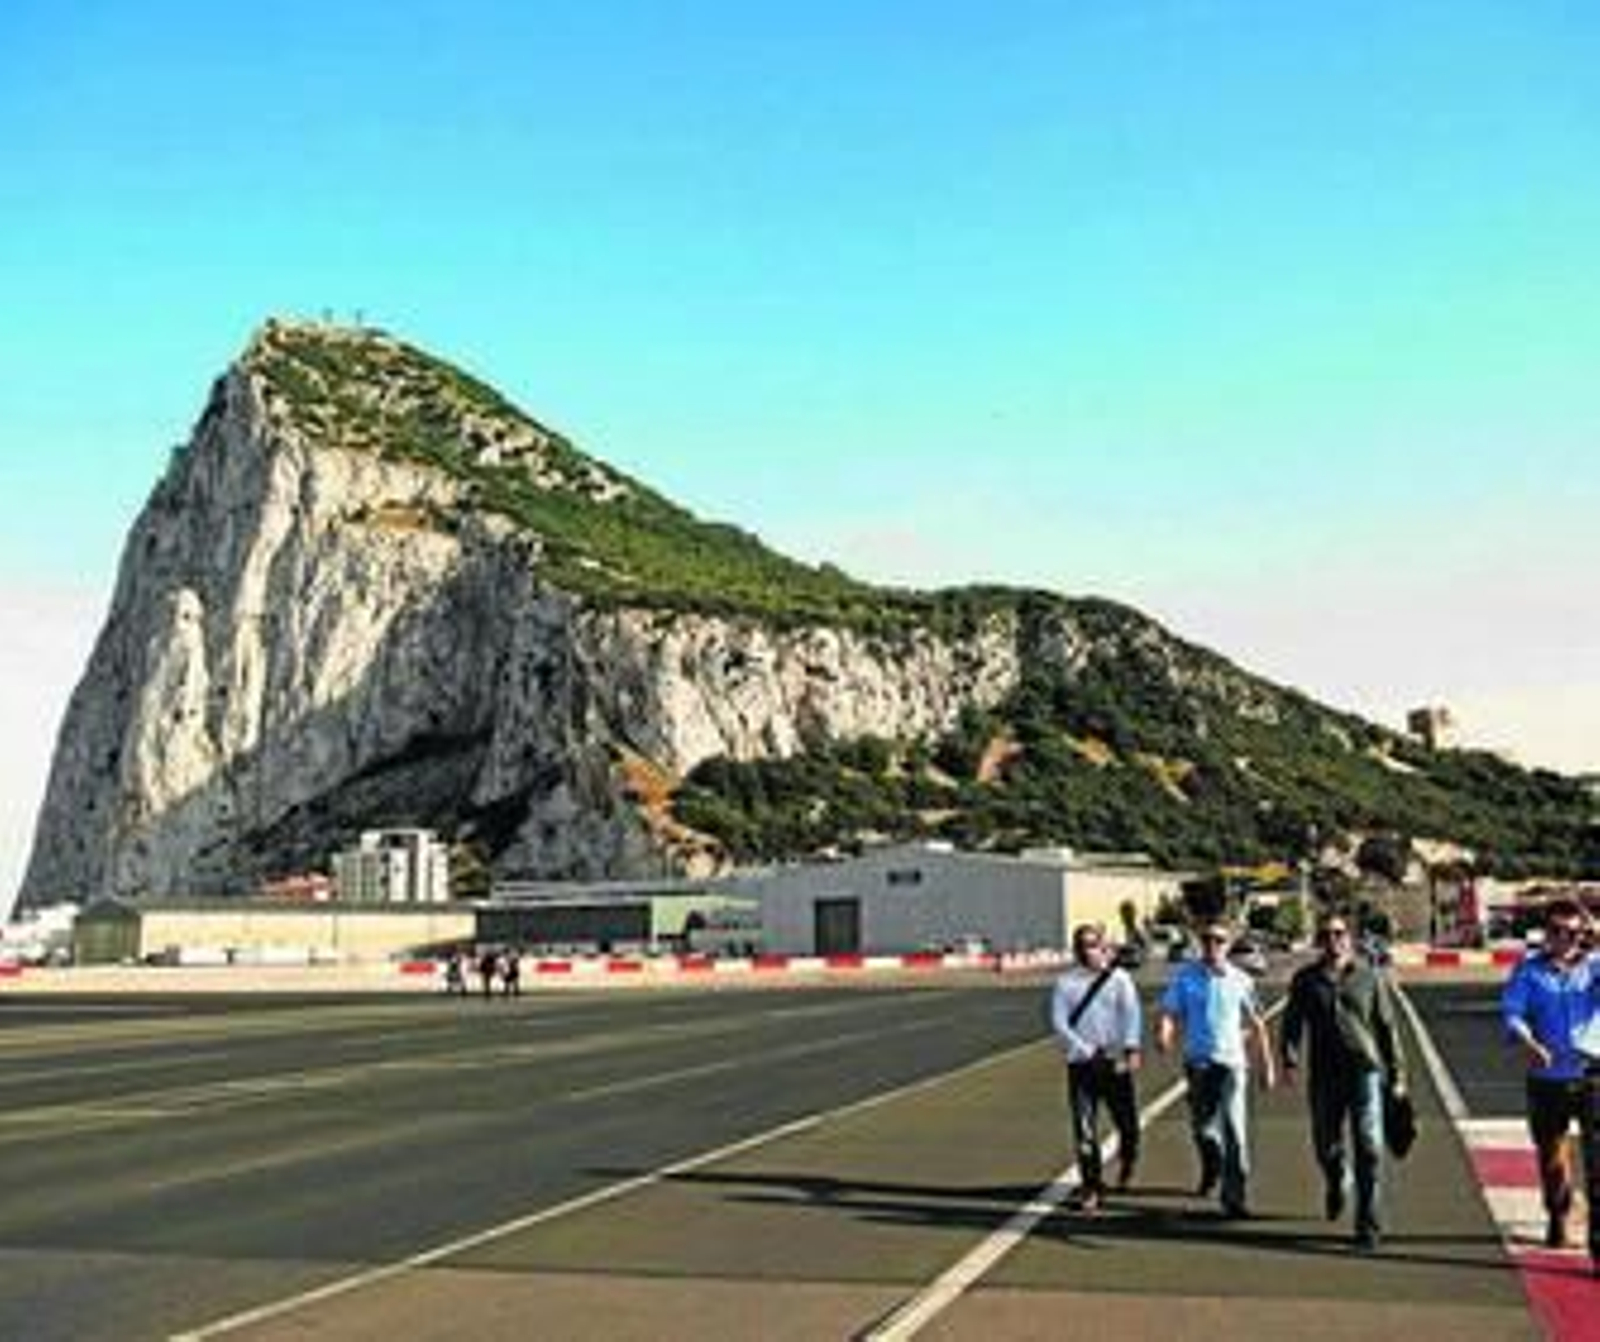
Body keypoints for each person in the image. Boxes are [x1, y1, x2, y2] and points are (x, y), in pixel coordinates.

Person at [1280, 912, 1407, 1251]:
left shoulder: (1369, 977)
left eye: (1339, 934)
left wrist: (1397, 1075)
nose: (1333, 940)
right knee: (1326, 1145)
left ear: (1349, 938)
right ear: (1320, 941)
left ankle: (1368, 1226)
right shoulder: (1306, 980)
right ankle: (1337, 1179)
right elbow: (1292, 1023)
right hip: (1325, 1074)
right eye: (1326, 935)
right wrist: (1289, 1057)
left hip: (1365, 1071)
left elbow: (1387, 1028)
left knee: (1369, 1147)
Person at [1501, 897, 1599, 1267]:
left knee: (1597, 1163)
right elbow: (1512, 1012)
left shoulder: (1594, 969)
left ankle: (1597, 1244)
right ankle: (1558, 1211)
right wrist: (1528, 1042)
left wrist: (1596, 938)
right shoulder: (1529, 971)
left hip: (1591, 1077)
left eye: (1574, 932)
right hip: (1546, 1079)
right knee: (1552, 1158)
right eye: (1558, 931)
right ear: (1547, 933)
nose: (1566, 939)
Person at [1158, 918, 1276, 1218]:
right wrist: (1165, 1031)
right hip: (1198, 1064)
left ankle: (1234, 1197)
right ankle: (1213, 1164)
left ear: (1228, 946)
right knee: (1204, 1130)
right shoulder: (1186, 978)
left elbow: (1258, 1024)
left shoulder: (1241, 980)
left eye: (1219, 941)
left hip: (1233, 1064)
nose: (1213, 946)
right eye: (1208, 940)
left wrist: (1268, 1066)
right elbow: (1170, 1011)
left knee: (1236, 1131)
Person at [1049, 923, 1144, 1212]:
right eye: (1083, 945)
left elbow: (1132, 1014)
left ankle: (1128, 1160)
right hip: (1082, 1065)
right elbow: (1059, 1022)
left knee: (1128, 1126)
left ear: (1104, 947)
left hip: (1115, 1062)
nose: (1088, 950)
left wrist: (1131, 1048)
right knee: (1084, 1132)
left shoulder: (1119, 979)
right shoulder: (1066, 982)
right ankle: (1091, 1187)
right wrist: (1084, 1049)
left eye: (1093, 944)